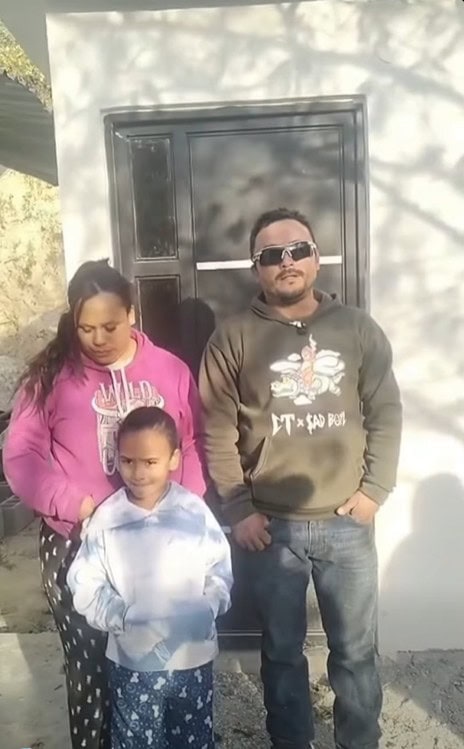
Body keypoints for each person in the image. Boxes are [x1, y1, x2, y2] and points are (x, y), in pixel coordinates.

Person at [199, 207, 402, 749]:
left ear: (316, 258)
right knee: (282, 652)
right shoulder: (232, 338)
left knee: (355, 652)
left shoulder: (357, 329)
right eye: (272, 254)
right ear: (256, 267)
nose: (286, 262)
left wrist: (375, 491)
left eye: (298, 250)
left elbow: (385, 411)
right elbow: (216, 430)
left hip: (346, 522)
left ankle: (359, 742)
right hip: (271, 530)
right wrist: (238, 509)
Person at [3, 260, 206, 749]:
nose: (97, 339)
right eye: (85, 328)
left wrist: (183, 507)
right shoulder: (51, 377)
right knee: (91, 669)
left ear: (132, 314)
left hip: (159, 547)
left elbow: (193, 442)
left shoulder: (170, 371)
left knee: (157, 662)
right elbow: (21, 456)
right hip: (77, 545)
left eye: (110, 326)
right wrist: (76, 503)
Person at [67, 406, 232, 749]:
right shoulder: (108, 518)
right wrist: (122, 617)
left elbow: (219, 568)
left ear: (174, 459)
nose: (138, 473)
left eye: (150, 462)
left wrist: (206, 609)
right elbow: (86, 581)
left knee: (193, 741)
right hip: (133, 664)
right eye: (128, 461)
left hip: (192, 659)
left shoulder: (194, 511)